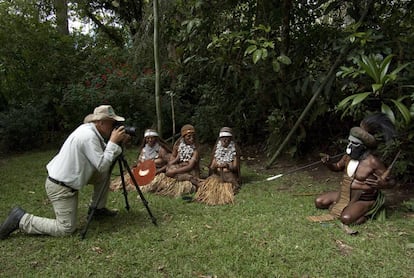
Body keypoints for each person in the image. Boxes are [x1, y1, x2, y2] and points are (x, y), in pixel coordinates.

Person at [0, 105, 128, 239]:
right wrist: (113, 142)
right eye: (112, 123)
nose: (114, 127)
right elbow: (102, 164)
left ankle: (97, 210)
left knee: (103, 175)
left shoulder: (90, 131)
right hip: (61, 187)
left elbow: (102, 161)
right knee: (65, 229)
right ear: (101, 122)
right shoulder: (88, 136)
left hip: (68, 179)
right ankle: (21, 219)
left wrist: (116, 144)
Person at [310, 113, 397, 225]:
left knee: (345, 218)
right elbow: (336, 167)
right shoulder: (348, 157)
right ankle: (346, 206)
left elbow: (392, 181)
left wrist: (383, 184)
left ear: (363, 146)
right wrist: (328, 163)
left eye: (354, 144)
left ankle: (365, 213)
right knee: (319, 202)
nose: (349, 146)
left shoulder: (373, 162)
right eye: (349, 142)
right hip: (345, 193)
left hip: (363, 199)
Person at [194, 127, 241, 205]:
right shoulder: (217, 150)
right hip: (217, 175)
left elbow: (235, 167)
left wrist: (227, 165)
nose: (225, 141)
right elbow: (212, 167)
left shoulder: (234, 150)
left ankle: (221, 196)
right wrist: (215, 166)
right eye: (223, 139)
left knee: (227, 187)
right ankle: (208, 196)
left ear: (230, 139)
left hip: (228, 176)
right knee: (210, 185)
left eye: (227, 139)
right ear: (220, 139)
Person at [153, 124, 200, 197]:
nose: (192, 138)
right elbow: (175, 159)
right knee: (169, 169)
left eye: (193, 136)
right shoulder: (179, 147)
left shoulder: (195, 151)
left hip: (189, 169)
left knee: (172, 172)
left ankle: (189, 178)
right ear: (183, 137)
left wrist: (174, 171)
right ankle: (185, 177)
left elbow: (190, 166)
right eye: (189, 136)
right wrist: (170, 164)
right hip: (180, 167)